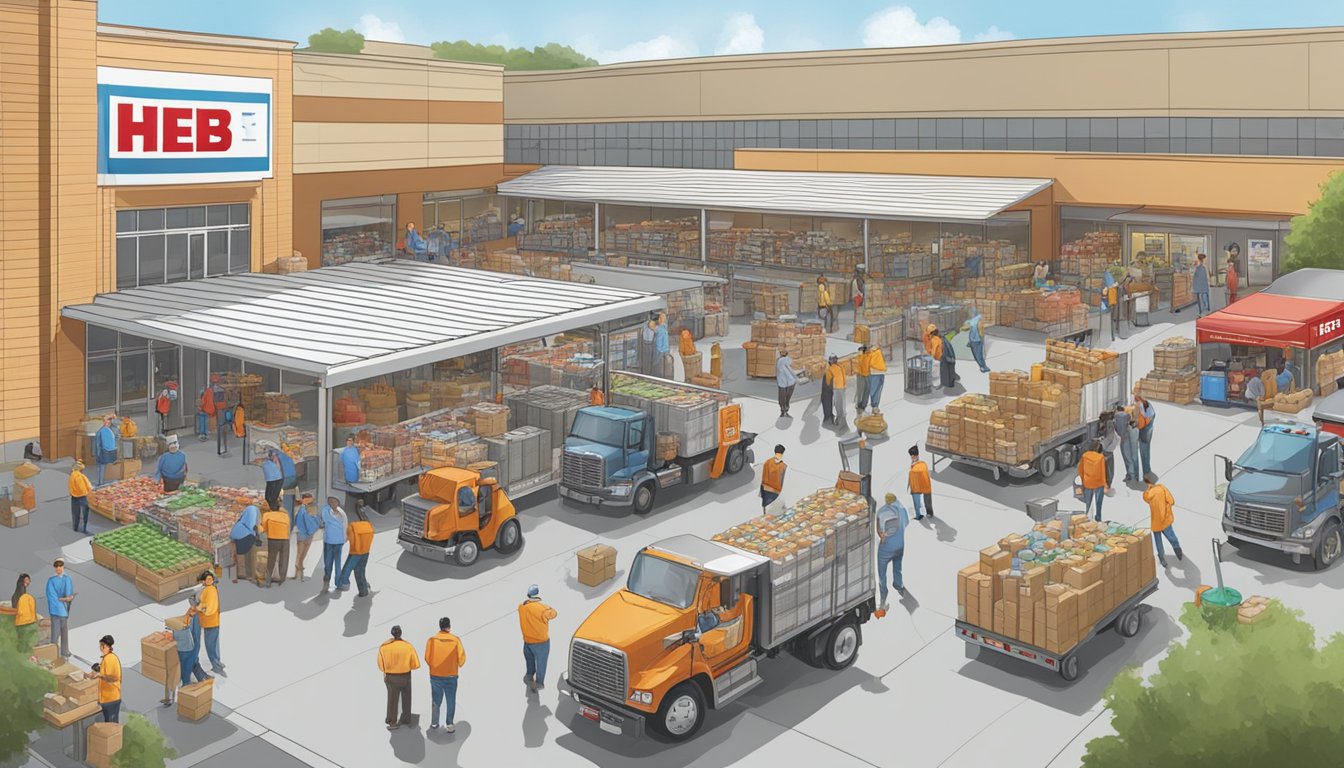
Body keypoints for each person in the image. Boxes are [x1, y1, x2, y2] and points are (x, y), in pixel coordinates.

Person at [425, 616, 467, 732]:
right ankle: (449, 724)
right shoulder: (456, 640)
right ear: (449, 626)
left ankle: (434, 723)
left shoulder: (432, 640)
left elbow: (427, 658)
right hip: (451, 676)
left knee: (436, 699)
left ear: (440, 626)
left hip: (435, 675)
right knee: (450, 699)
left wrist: (435, 666)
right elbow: (462, 658)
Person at [378, 625, 420, 731]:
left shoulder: (383, 647)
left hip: (391, 677)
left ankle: (392, 722)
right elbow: (416, 665)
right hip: (405, 676)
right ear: (400, 633)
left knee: (392, 699)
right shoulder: (408, 646)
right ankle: (406, 719)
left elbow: (380, 665)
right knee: (406, 697)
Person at [518, 585, 557, 692]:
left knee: (529, 660)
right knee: (541, 663)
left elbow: (526, 607)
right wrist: (547, 607)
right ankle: (539, 683)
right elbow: (554, 614)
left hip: (527, 641)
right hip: (541, 642)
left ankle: (529, 675)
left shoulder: (521, 607)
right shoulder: (542, 609)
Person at [876, 493, 909, 609]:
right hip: (900, 545)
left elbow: (879, 530)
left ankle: (883, 595)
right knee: (897, 566)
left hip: (886, 548)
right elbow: (907, 523)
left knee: (882, 572)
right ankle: (899, 585)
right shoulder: (902, 510)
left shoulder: (881, 512)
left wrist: (883, 536)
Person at [1143, 473, 1184, 566]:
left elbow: (1146, 499)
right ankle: (1178, 550)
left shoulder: (1148, 493)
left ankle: (1162, 558)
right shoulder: (1162, 488)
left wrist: (1148, 489)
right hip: (1165, 519)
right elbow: (1172, 501)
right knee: (1172, 537)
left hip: (1155, 522)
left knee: (1159, 542)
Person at [337, 508, 374, 597]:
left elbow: (345, 538)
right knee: (359, 571)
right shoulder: (368, 526)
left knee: (347, 569)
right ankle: (364, 590)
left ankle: (344, 583)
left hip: (356, 552)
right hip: (365, 551)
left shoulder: (351, 527)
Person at [194, 571, 225, 674]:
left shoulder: (210, 590)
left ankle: (216, 665)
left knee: (210, 644)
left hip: (210, 621)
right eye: (207, 579)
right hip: (212, 621)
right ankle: (217, 662)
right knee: (214, 643)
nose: (209, 580)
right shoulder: (208, 589)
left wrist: (198, 607)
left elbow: (209, 608)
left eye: (210, 579)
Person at [45, 559, 74, 658]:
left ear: (63, 567)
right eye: (56, 566)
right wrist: (64, 599)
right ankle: (53, 654)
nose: (58, 568)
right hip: (56, 611)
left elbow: (69, 595)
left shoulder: (67, 579)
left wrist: (65, 599)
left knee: (64, 632)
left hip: (64, 611)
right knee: (55, 633)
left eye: (60, 566)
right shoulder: (51, 580)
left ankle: (65, 652)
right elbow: (51, 597)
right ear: (54, 568)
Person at [319, 497, 348, 592]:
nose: (332, 503)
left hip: (338, 542)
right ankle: (326, 581)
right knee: (328, 563)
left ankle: (338, 583)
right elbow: (326, 520)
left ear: (338, 502)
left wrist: (344, 539)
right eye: (330, 501)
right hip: (328, 541)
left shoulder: (342, 513)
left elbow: (345, 526)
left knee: (338, 564)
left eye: (334, 501)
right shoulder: (326, 511)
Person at [1078, 441, 1110, 522]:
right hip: (1098, 483)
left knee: (1088, 503)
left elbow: (1080, 469)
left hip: (1087, 482)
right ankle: (1098, 518)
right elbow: (1103, 472)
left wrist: (1083, 482)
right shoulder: (1100, 457)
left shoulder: (1084, 456)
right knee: (1098, 503)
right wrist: (1105, 484)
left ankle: (1087, 518)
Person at [261, 503, 291, 586]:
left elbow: (264, 527)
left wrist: (268, 531)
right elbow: (288, 526)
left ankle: (268, 580)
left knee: (271, 559)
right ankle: (282, 579)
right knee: (284, 559)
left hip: (273, 539)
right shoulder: (285, 515)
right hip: (285, 539)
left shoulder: (267, 515)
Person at [230, 504, 260, 585]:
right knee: (250, 556)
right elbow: (255, 525)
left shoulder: (242, 519)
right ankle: (251, 576)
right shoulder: (255, 512)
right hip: (248, 536)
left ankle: (239, 575)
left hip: (237, 536)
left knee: (238, 557)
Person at [95, 635, 122, 723]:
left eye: (103, 646)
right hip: (106, 698)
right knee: (108, 723)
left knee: (112, 725)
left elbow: (113, 677)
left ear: (108, 647)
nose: (101, 648)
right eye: (101, 645)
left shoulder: (110, 658)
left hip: (111, 698)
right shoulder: (105, 658)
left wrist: (100, 676)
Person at [293, 493, 319, 582]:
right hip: (308, 535)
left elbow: (296, 521)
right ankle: (300, 576)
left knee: (299, 556)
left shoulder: (300, 510)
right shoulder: (311, 509)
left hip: (301, 535)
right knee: (302, 556)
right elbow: (316, 521)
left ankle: (298, 575)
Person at [10, 574, 39, 651]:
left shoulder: (20, 596)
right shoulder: (26, 597)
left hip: (22, 623)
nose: (28, 582)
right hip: (25, 623)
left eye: (29, 580)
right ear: (21, 581)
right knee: (24, 644)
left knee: (23, 644)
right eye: (26, 580)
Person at [1114, 406, 1140, 482]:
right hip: (1133, 431)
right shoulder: (1128, 415)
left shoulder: (1116, 416)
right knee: (1134, 455)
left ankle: (1131, 475)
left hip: (1125, 436)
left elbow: (1118, 429)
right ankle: (1135, 476)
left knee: (1127, 456)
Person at [1134, 395, 1157, 479]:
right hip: (1149, 428)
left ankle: (1146, 472)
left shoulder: (1139, 405)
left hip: (1144, 430)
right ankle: (1147, 470)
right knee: (1146, 450)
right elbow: (1153, 416)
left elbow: (1138, 421)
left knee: (1143, 452)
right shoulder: (1148, 404)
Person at [909, 446, 933, 520]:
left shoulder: (920, 465)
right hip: (919, 485)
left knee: (926, 499)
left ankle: (928, 513)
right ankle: (921, 513)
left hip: (921, 485)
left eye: (913, 456)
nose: (912, 457)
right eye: (911, 456)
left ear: (917, 456)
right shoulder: (919, 464)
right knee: (923, 499)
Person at [760, 444, 787, 511]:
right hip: (776, 491)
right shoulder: (783, 466)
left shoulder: (767, 462)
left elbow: (763, 477)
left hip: (765, 489)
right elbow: (782, 481)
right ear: (782, 453)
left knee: (766, 507)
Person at [822, 354, 846, 427]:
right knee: (842, 403)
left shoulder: (830, 368)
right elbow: (844, 376)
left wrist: (829, 386)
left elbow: (828, 380)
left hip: (836, 388)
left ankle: (839, 420)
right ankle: (841, 418)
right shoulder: (840, 367)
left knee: (838, 405)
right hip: (842, 387)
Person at [94, 413, 118, 486]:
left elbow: (117, 434)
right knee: (101, 466)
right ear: (104, 422)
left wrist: (113, 417)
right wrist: (98, 453)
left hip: (112, 450)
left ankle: (105, 480)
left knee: (109, 465)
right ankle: (100, 482)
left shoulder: (113, 429)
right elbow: (97, 443)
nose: (108, 421)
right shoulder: (101, 431)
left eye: (109, 420)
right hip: (104, 451)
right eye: (106, 420)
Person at [69, 460, 92, 534]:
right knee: (84, 513)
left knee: (75, 513)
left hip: (73, 496)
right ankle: (84, 528)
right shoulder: (80, 476)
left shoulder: (72, 475)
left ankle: (75, 527)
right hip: (82, 496)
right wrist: (89, 491)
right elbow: (83, 487)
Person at [964, 307, 990, 373]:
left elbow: (980, 331)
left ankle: (983, 367)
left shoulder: (977, 321)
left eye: (971, 313)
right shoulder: (973, 320)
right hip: (973, 340)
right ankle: (983, 366)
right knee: (977, 355)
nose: (970, 314)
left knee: (978, 356)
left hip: (976, 341)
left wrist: (981, 338)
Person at [775, 349, 799, 418]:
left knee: (782, 398)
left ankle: (783, 411)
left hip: (783, 383)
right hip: (790, 383)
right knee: (787, 398)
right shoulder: (788, 360)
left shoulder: (780, 361)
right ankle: (785, 410)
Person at [864, 344, 887, 413]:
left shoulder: (873, 353)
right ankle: (874, 406)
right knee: (877, 390)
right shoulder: (877, 352)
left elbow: (870, 363)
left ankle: (871, 406)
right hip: (880, 373)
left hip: (874, 373)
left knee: (872, 390)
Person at [261, 446, 284, 512]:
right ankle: (272, 508)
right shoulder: (272, 454)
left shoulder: (274, 454)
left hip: (274, 477)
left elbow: (276, 462)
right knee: (271, 496)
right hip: (274, 477)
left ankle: (272, 509)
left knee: (270, 497)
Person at [653, 313, 672, 379]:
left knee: (667, 366)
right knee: (658, 365)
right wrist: (660, 350)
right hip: (660, 350)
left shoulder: (664, 326)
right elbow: (657, 341)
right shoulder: (657, 329)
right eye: (662, 317)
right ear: (659, 319)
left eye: (664, 317)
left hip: (665, 349)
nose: (664, 319)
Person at [854, 345, 871, 413]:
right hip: (860, 375)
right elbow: (859, 364)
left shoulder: (868, 355)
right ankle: (859, 405)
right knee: (860, 391)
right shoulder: (859, 356)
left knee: (867, 391)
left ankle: (864, 405)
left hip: (867, 375)